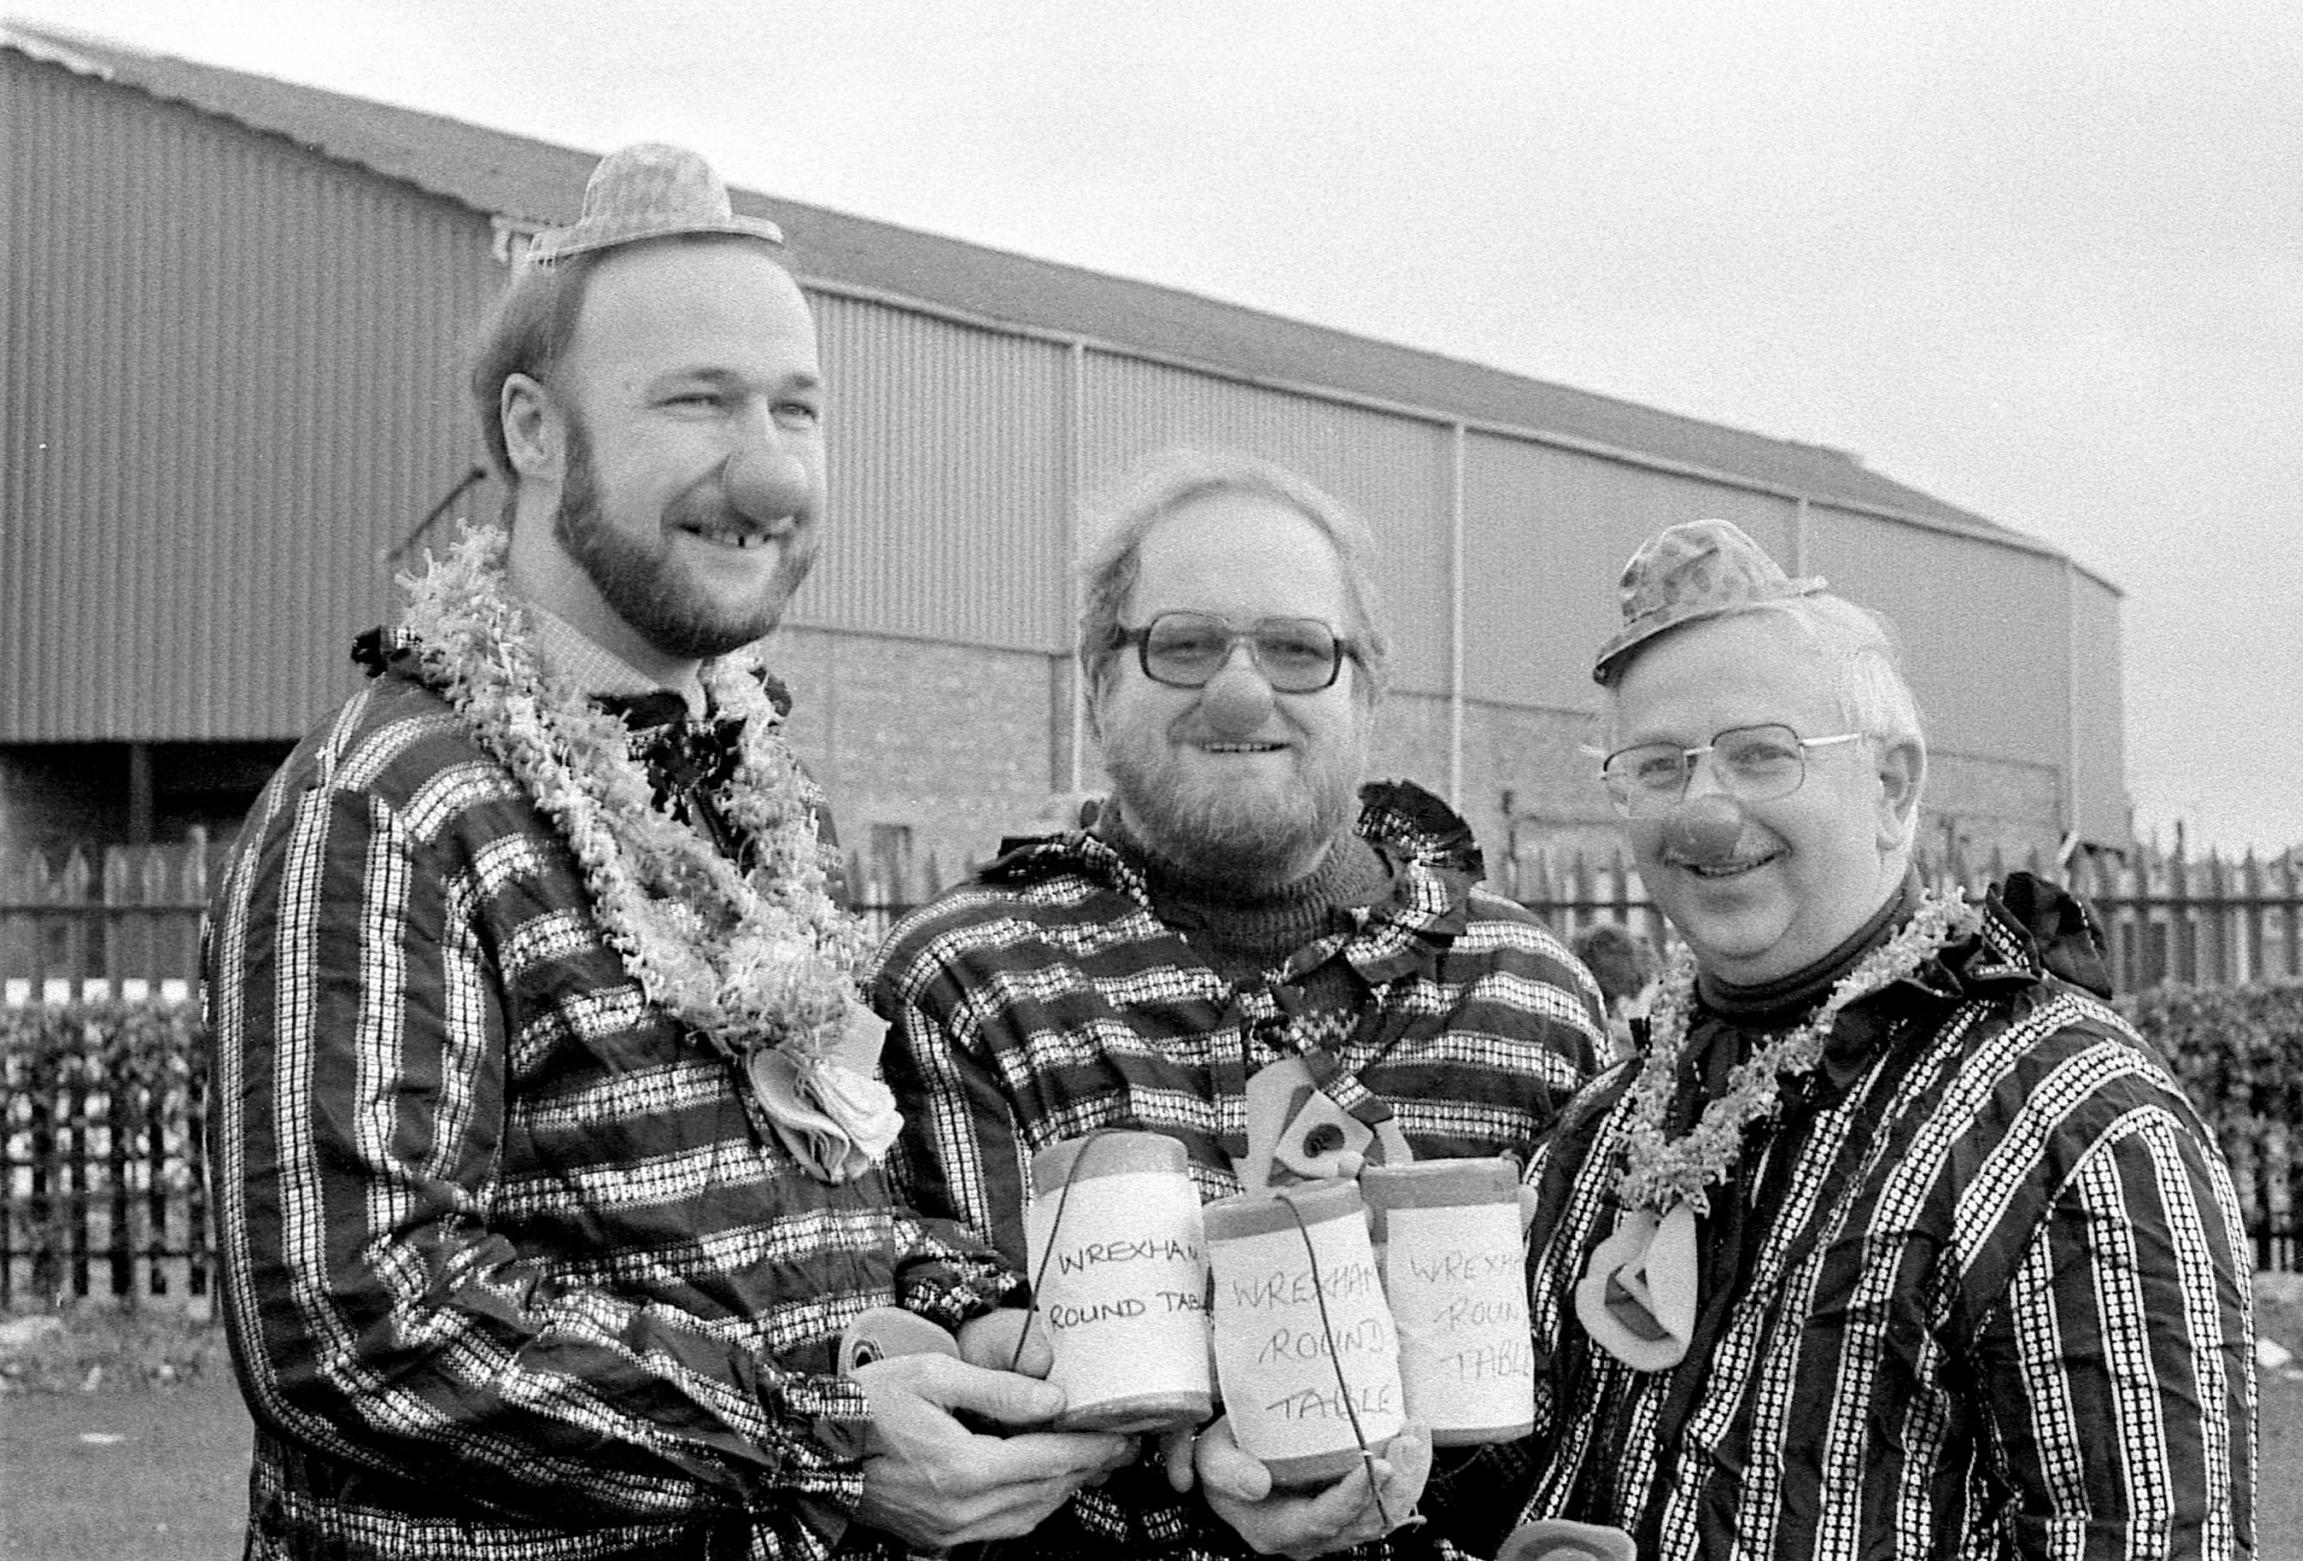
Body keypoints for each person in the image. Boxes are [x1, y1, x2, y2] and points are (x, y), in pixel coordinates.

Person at [204, 143, 1128, 1561]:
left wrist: (973, 1319)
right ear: (533, 429)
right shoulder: (395, 804)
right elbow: (355, 1319)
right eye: (696, 401)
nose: (764, 468)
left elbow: (822, 1218)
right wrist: (813, 1444)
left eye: (795, 408)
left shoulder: (764, 794)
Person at [868, 451, 1611, 1560]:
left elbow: (1584, 1398)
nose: (1239, 690)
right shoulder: (970, 983)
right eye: (1185, 644)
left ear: (1368, 688)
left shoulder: (1531, 999)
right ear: (1096, 681)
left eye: (1297, 649)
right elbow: (943, 1381)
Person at [1481, 520, 2255, 1560]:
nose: (1705, 811)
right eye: (1659, 768)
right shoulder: (1606, 1118)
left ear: (1891, 785)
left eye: (1762, 755)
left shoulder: (2073, 1125)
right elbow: (1528, 1463)